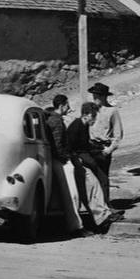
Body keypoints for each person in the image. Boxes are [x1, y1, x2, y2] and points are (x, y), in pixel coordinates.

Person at [66, 102, 123, 227]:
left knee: (102, 181)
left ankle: (105, 212)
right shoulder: (76, 126)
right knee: (93, 186)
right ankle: (100, 217)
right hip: (79, 161)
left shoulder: (84, 125)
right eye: (94, 116)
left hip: (85, 158)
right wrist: (78, 160)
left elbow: (85, 145)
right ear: (87, 115)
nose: (95, 119)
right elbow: (70, 147)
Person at [45, 94, 83, 234]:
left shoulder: (50, 118)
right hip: (60, 161)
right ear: (61, 106)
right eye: (67, 105)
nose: (69, 108)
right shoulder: (57, 121)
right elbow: (57, 144)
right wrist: (65, 158)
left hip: (53, 160)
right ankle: (75, 226)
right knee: (71, 194)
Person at [88, 82, 123, 206]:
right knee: (91, 177)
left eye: (97, 95)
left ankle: (105, 204)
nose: (94, 98)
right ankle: (94, 205)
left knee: (102, 178)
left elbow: (118, 135)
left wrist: (109, 150)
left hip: (103, 148)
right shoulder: (91, 110)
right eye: (94, 95)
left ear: (103, 96)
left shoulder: (112, 111)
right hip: (90, 147)